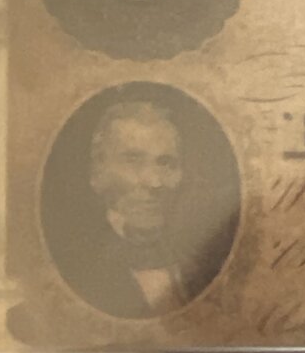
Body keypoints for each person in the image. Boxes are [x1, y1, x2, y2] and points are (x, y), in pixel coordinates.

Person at [57, 98, 216, 318]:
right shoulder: (70, 269)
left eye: (166, 163)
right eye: (133, 160)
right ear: (98, 172)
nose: (154, 182)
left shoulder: (203, 267)